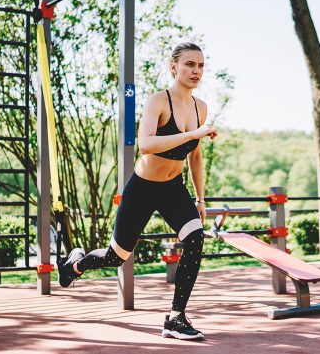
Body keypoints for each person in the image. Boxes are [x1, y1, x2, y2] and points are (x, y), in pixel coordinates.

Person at [57, 42, 217, 341]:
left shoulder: (200, 107)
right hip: (142, 189)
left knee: (195, 239)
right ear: (174, 67)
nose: (196, 71)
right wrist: (195, 133)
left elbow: (195, 155)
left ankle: (175, 317)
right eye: (189, 65)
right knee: (117, 256)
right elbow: (145, 144)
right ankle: (76, 264)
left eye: (201, 66)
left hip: (174, 188)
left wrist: (200, 197)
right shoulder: (158, 101)